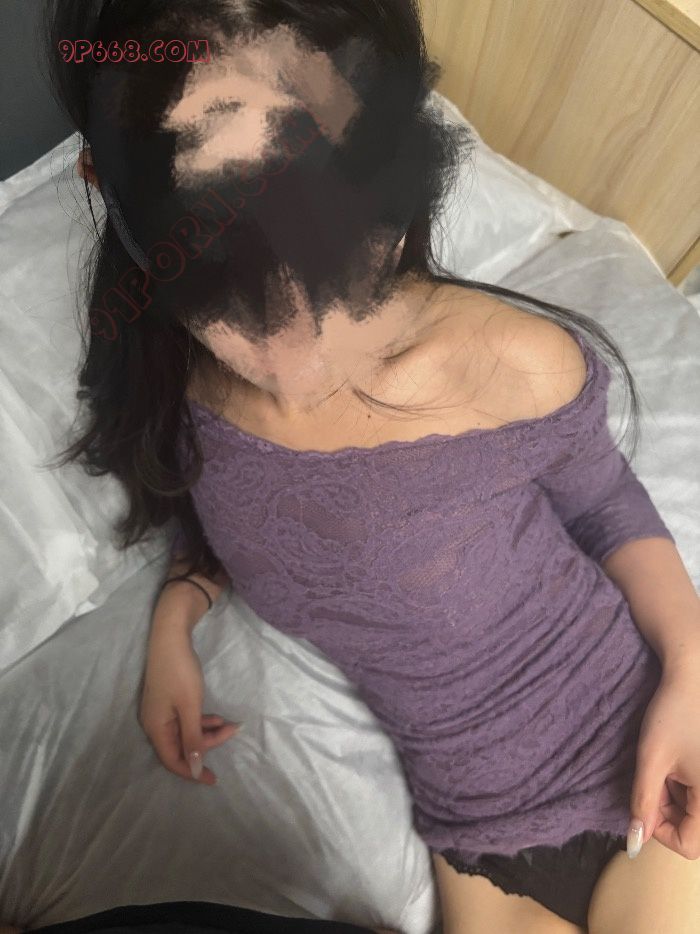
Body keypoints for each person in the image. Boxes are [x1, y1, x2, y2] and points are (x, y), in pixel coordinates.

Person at [39, 1, 700, 933]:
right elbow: (237, 523)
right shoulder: (179, 401)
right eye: (224, 268)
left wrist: (692, 672)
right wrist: (174, 627)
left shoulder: (507, 362)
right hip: (472, 833)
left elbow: (606, 506)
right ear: (110, 192)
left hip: (639, 745)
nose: (300, 345)